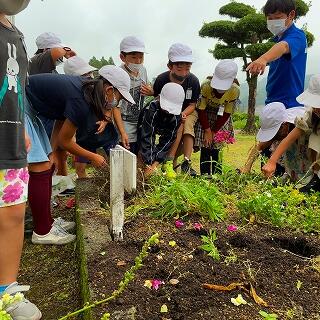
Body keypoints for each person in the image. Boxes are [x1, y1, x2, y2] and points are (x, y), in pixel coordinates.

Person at [0, 1, 42, 319]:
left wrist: (24, 126)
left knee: (12, 216)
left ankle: (6, 290)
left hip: (12, 136)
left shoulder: (15, 32)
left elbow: (19, 90)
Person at [25, 66, 134, 170]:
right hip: (22, 100)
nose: (117, 103)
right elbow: (64, 141)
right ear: (109, 90)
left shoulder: (87, 90)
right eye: (119, 99)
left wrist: (51, 152)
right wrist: (93, 156)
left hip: (29, 103)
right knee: (38, 164)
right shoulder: (82, 100)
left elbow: (60, 120)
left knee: (45, 161)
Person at [246, 0, 307, 174]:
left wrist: (263, 58)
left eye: (278, 17)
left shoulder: (297, 36)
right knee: (267, 144)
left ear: (291, 15)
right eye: (269, 18)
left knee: (284, 153)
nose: (273, 22)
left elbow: (283, 47)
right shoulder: (277, 38)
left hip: (289, 103)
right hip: (273, 101)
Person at [29, 32, 76, 176]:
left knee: (51, 157)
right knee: (38, 162)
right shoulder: (37, 62)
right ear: (45, 51)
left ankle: (53, 187)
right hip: (38, 120)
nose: (61, 56)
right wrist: (68, 51)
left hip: (51, 122)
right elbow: (56, 51)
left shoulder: (53, 71)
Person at [263, 75, 320, 193]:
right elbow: (290, 138)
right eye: (315, 105)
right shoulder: (312, 114)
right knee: (309, 137)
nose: (316, 109)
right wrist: (272, 161)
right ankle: (314, 178)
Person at [152, 43, 201, 177]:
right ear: (170, 66)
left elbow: (193, 104)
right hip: (165, 112)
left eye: (188, 69)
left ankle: (185, 161)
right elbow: (157, 98)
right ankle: (162, 160)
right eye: (180, 69)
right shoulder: (161, 79)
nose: (184, 73)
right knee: (170, 130)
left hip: (187, 111)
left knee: (184, 125)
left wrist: (182, 114)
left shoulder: (193, 81)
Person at [242, 102, 308, 182]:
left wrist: (272, 162)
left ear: (284, 125)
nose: (273, 137)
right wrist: (247, 167)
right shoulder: (278, 122)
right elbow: (259, 146)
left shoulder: (302, 121)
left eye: (274, 133)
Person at [194, 60, 239, 175]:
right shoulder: (206, 86)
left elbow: (227, 113)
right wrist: (207, 130)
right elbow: (201, 109)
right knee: (206, 145)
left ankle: (217, 175)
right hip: (205, 114)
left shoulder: (234, 90)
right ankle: (204, 176)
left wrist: (214, 131)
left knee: (217, 146)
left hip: (221, 117)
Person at [139, 83, 184, 178]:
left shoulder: (176, 117)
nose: (168, 111)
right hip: (145, 126)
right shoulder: (150, 110)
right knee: (141, 152)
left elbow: (167, 141)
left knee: (152, 163)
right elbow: (147, 135)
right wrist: (148, 162)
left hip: (165, 127)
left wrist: (154, 165)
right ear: (159, 98)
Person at [117, 36, 149, 155]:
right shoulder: (119, 75)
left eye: (141, 57)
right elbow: (116, 106)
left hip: (139, 121)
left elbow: (147, 89)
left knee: (140, 154)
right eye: (134, 57)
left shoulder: (143, 70)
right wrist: (122, 132)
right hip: (124, 122)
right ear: (122, 57)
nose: (138, 61)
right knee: (126, 155)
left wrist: (150, 91)